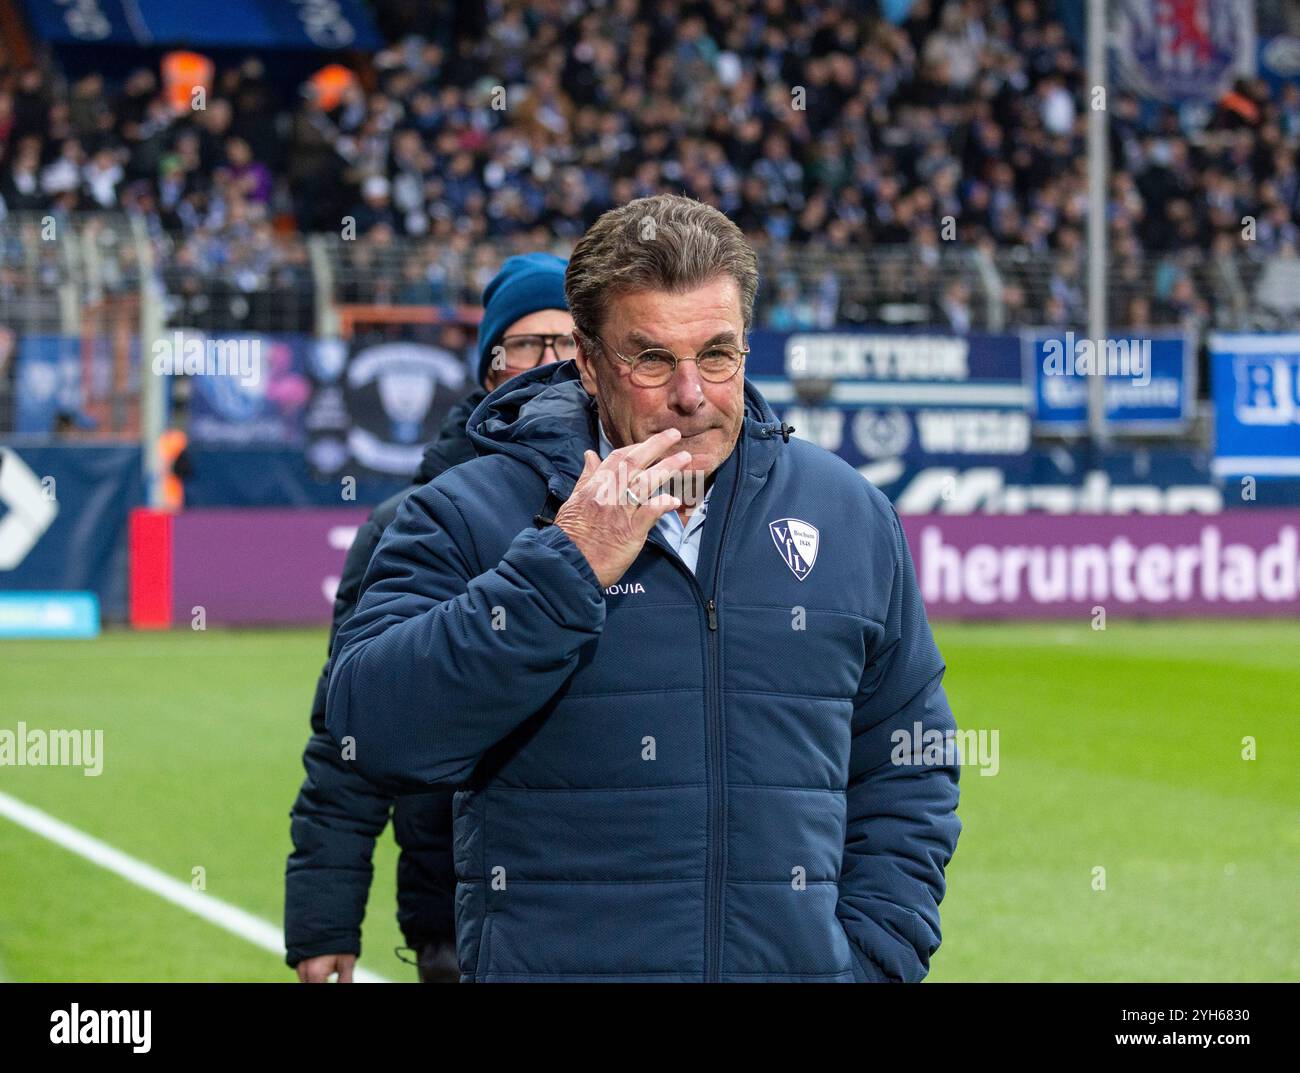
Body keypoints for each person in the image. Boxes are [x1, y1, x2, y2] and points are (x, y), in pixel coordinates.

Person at [326, 195, 961, 982]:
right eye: (653, 360)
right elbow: (370, 729)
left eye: (718, 355)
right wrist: (567, 563)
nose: (691, 394)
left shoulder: (850, 513)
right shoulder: (469, 512)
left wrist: (872, 955)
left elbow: (912, 758)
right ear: (588, 365)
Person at [285, 253, 574, 982]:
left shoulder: (644, 506)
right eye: (532, 345)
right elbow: (347, 737)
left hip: (613, 909)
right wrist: (325, 918)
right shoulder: (413, 524)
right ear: (491, 371)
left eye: (573, 344)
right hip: (459, 913)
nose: (554, 362)